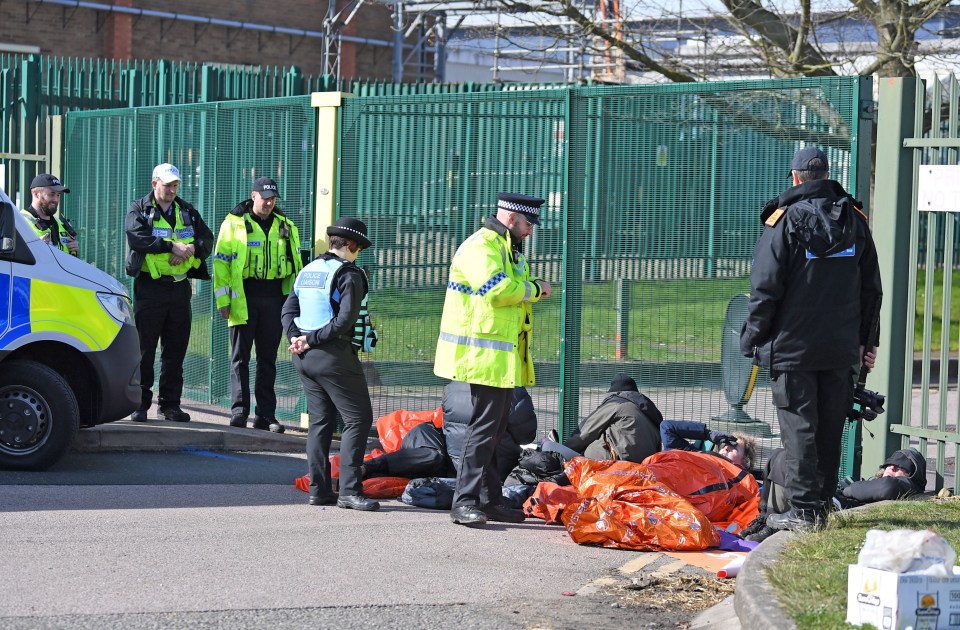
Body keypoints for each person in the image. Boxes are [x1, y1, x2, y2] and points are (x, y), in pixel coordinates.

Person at [740, 146, 883, 533]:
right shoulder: (854, 221)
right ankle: (819, 505)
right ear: (825, 175)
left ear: (797, 178)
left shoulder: (783, 222)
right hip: (839, 348)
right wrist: (867, 343)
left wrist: (752, 337)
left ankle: (804, 511)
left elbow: (765, 290)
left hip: (791, 348)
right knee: (830, 425)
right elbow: (872, 290)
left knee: (800, 426)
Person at [434, 192, 553, 527]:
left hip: (497, 359)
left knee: (494, 431)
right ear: (511, 218)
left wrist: (527, 285)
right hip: (480, 358)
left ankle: (489, 500)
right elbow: (497, 290)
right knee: (483, 430)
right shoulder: (482, 246)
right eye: (528, 224)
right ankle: (465, 502)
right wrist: (534, 288)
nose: (530, 231)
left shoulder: (504, 248)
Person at [282, 217, 380, 511]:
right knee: (358, 419)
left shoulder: (309, 270)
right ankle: (350, 491)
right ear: (351, 245)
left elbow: (288, 309)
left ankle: (319, 491)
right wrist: (311, 340)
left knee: (320, 422)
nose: (358, 252)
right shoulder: (349, 274)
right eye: (359, 247)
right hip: (333, 356)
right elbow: (345, 320)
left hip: (302, 357)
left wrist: (297, 337)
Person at [124, 163, 213, 423]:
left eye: (175, 185)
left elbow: (207, 240)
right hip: (150, 288)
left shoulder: (187, 211)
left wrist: (191, 249)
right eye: (167, 185)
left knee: (175, 351)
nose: (172, 190)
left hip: (180, 289)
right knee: (145, 350)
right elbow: (137, 237)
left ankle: (169, 405)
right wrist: (170, 246)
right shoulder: (139, 209)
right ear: (155, 184)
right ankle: (139, 404)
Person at [214, 177, 303, 433]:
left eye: (273, 198)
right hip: (244, 296)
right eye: (264, 197)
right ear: (253, 196)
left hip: (275, 298)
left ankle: (265, 415)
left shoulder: (286, 225)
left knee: (268, 359)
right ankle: (239, 410)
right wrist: (223, 300)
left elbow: (295, 265)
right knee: (240, 357)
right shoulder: (234, 224)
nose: (269, 202)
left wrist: (293, 304)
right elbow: (221, 264)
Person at [740, 446, 927, 542]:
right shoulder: (879, 481)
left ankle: (772, 524)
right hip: (829, 501)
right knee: (779, 454)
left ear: (912, 475)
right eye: (890, 464)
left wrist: (848, 489)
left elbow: (886, 487)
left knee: (784, 460)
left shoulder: (903, 486)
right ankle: (765, 518)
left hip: (829, 507)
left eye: (900, 467)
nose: (892, 468)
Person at [442, 382, 539, 482]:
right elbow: (526, 436)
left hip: (458, 471)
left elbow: (448, 430)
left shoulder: (450, 388)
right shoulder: (512, 389)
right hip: (500, 472)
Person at [562, 374, 663, 463]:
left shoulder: (617, 403)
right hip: (644, 469)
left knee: (594, 442)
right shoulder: (650, 411)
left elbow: (585, 432)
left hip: (614, 466)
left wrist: (561, 451)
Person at [659, 419, 756, 471]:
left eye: (734, 448)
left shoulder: (742, 485)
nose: (726, 448)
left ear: (744, 464)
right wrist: (707, 434)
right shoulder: (699, 455)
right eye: (726, 444)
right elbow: (667, 427)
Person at [20, 173, 78, 256]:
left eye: (58, 195)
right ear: (36, 194)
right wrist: (34, 248)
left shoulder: (60, 224)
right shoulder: (19, 221)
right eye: (52, 194)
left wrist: (73, 250)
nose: (56, 199)